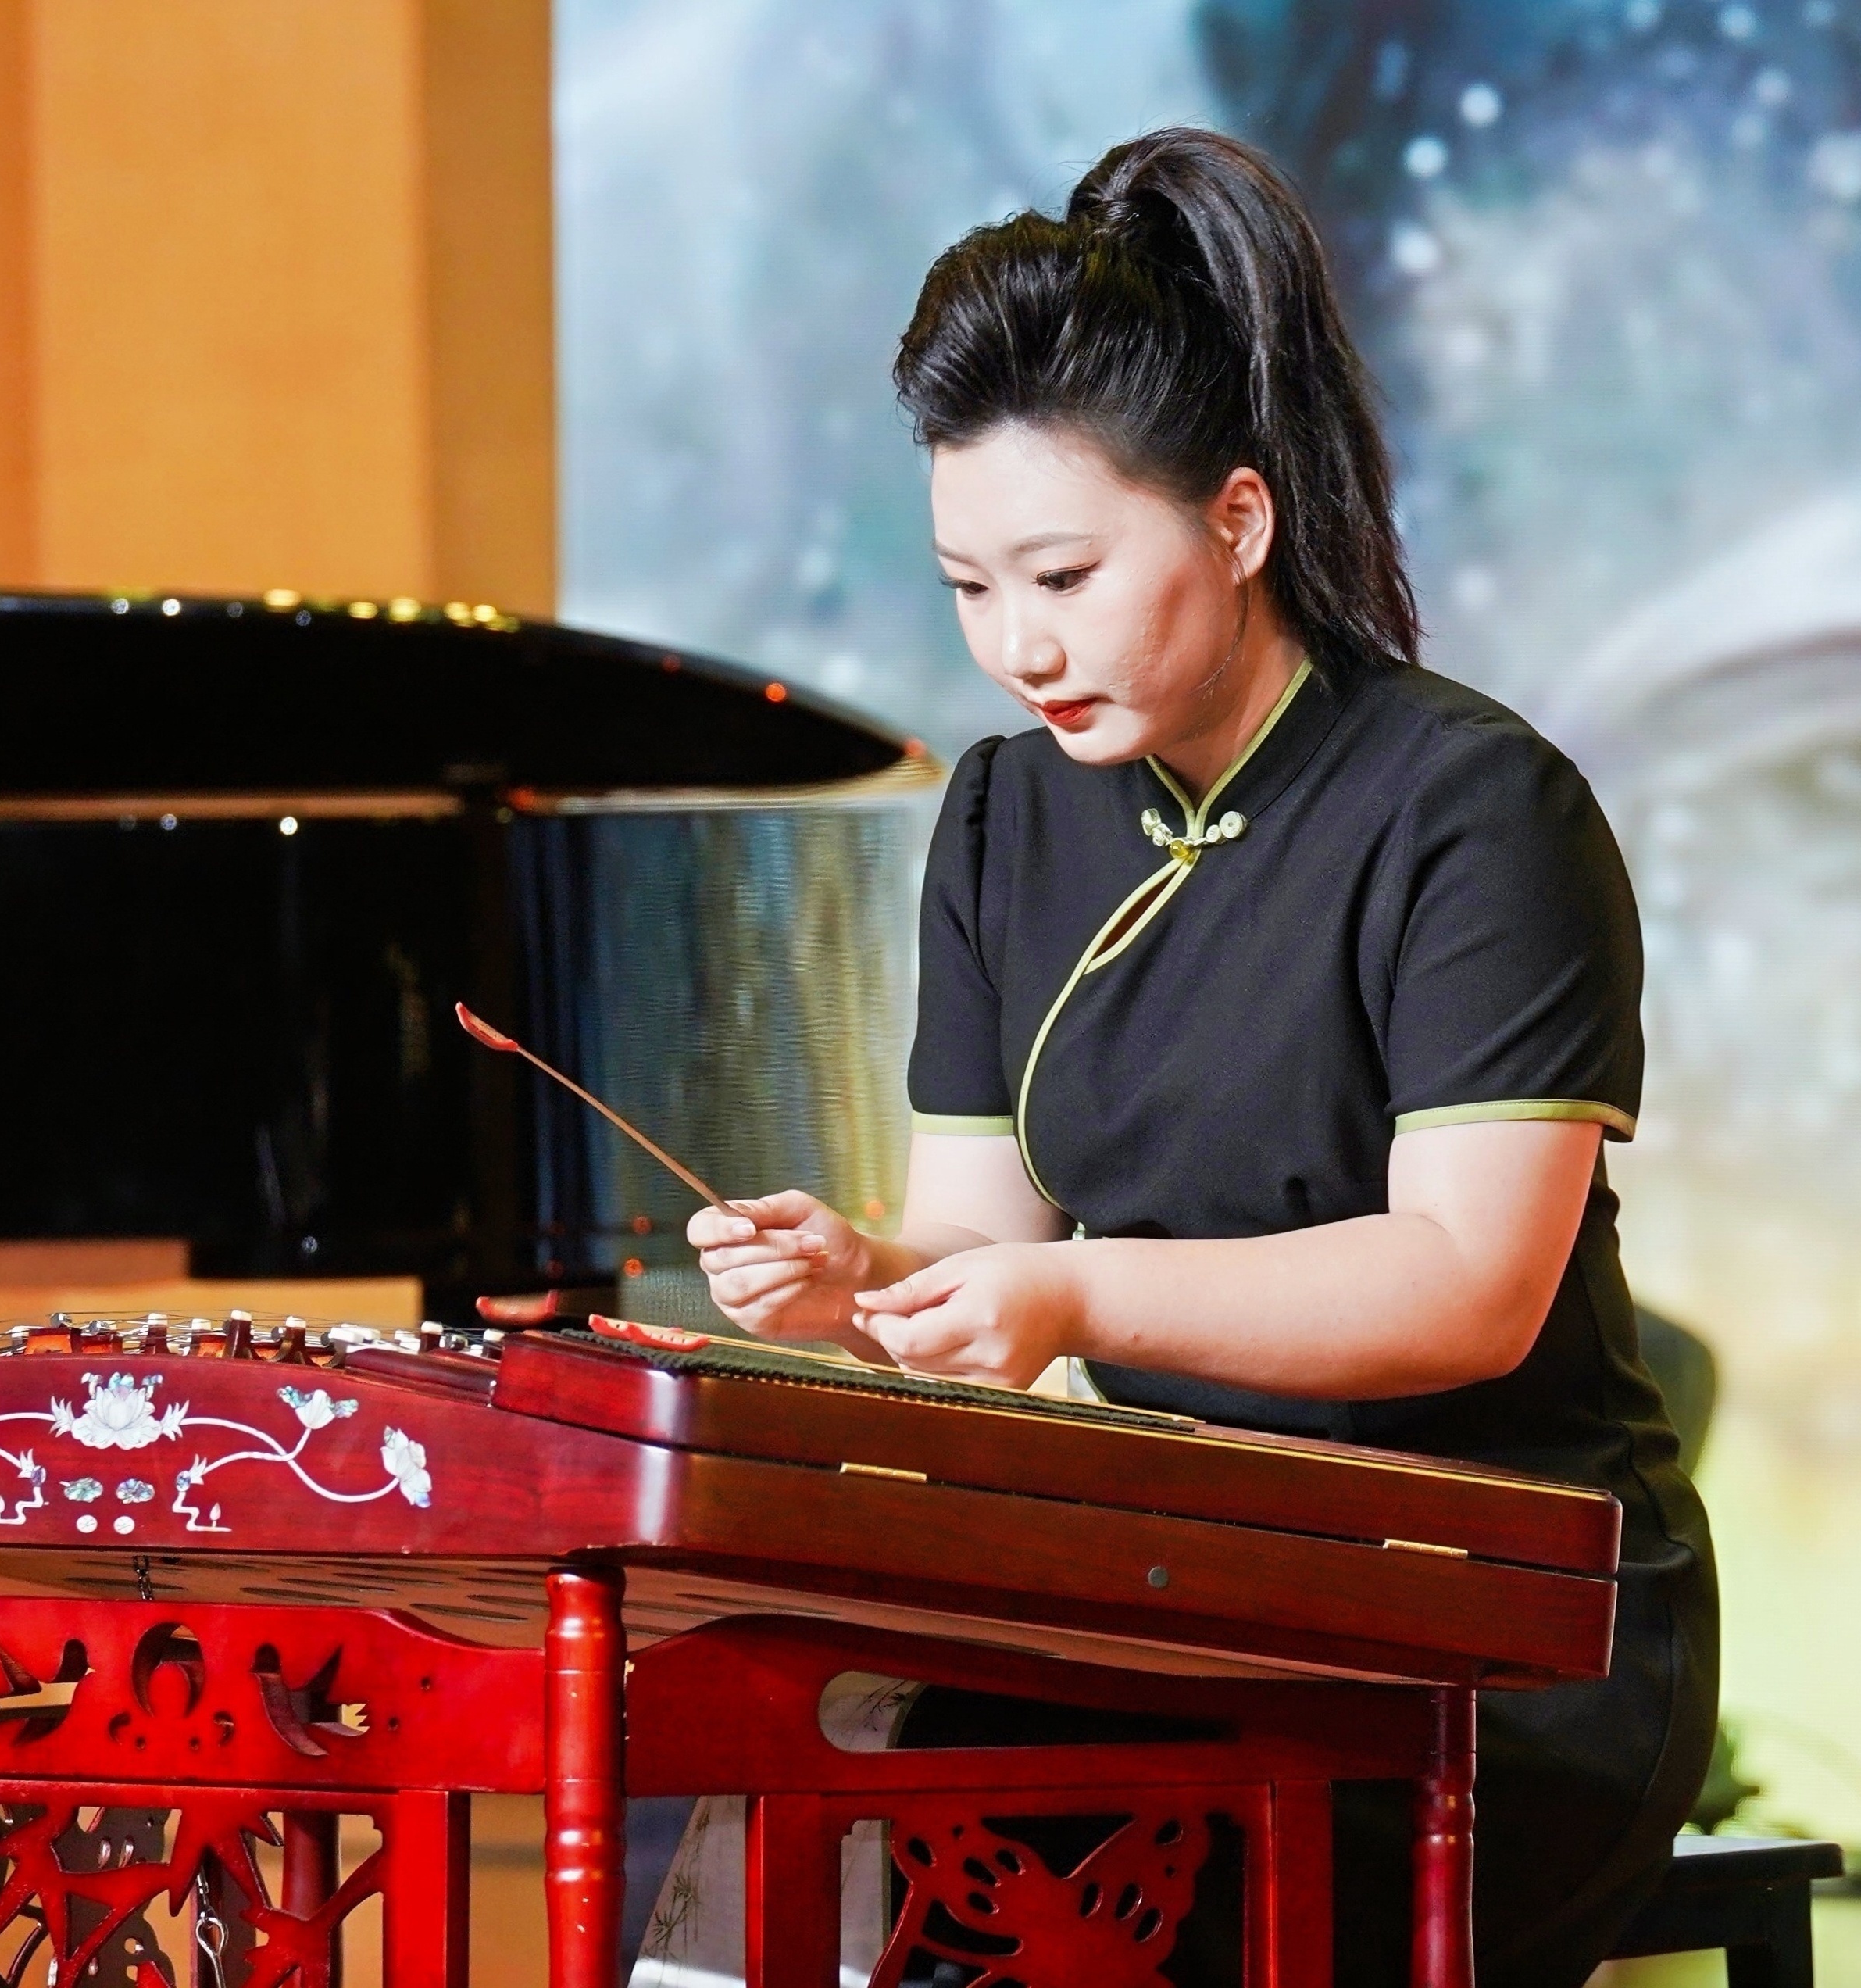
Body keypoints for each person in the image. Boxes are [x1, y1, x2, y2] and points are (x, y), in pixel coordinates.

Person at [686, 124, 1718, 1988]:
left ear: (1237, 522)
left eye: (1063, 575)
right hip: (1177, 1588)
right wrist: (863, 1284)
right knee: (816, 1801)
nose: (1017, 647)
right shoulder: (1004, 817)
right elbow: (977, 1244)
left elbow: (1467, 1288)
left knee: (1055, 1905)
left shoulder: (1470, 809)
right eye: (968, 589)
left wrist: (1068, 1297)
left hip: (1494, 1624)